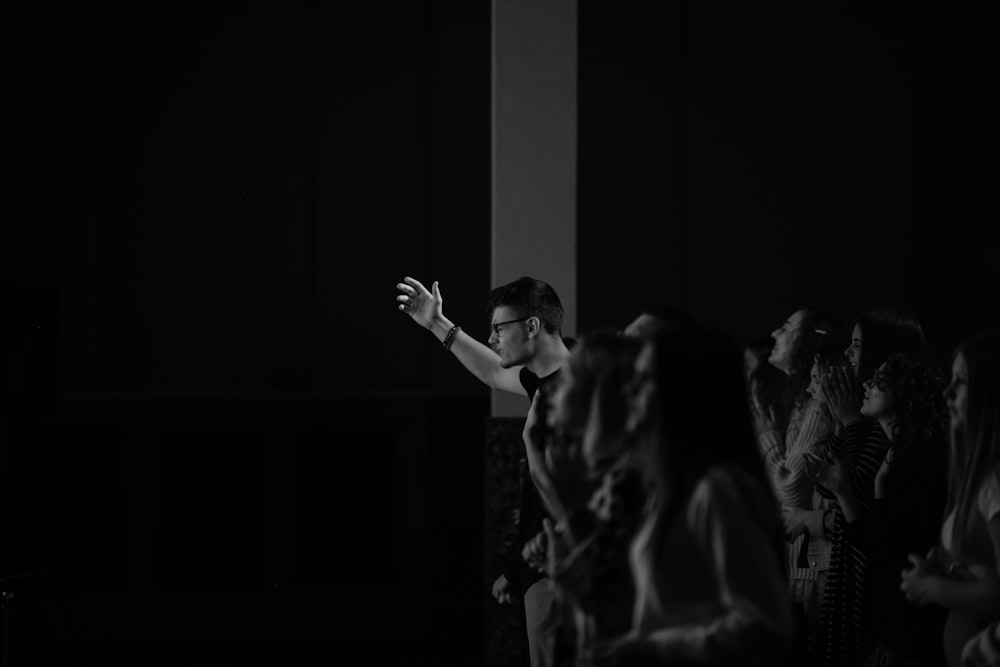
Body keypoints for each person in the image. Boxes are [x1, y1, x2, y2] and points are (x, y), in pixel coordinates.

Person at [396, 275, 572, 667]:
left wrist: (530, 444)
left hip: (573, 567)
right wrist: (436, 323)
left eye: (499, 329)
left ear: (532, 326)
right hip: (545, 561)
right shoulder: (547, 377)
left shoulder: (582, 391)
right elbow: (493, 372)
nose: (492, 338)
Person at [592, 327, 795, 666]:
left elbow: (767, 625)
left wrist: (654, 650)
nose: (629, 390)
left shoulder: (716, 490)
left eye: (644, 379)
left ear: (681, 392)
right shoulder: (671, 485)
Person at [810, 354, 948, 666]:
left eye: (879, 379)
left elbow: (890, 553)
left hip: (911, 623)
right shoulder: (894, 455)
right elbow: (873, 543)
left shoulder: (920, 460)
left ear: (906, 391)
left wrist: (872, 486)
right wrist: (842, 489)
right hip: (892, 617)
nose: (867, 384)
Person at [900, 332, 1000, 667]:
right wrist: (946, 570)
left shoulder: (995, 482)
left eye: (961, 381)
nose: (948, 393)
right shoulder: (981, 474)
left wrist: (931, 587)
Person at [754, 308, 846, 649]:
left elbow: (791, 484)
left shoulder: (821, 406)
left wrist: (764, 434)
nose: (775, 333)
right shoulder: (800, 402)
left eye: (786, 328)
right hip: (801, 566)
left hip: (815, 569)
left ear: (810, 346)